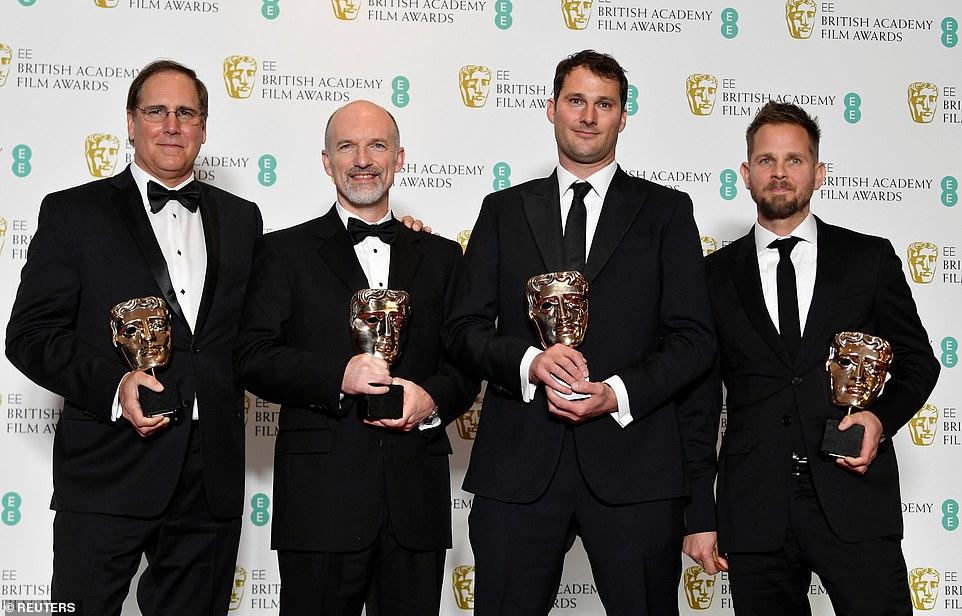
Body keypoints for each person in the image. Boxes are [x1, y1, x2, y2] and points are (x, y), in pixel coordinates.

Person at [442, 49, 717, 616]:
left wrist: (617, 393)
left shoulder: (666, 212)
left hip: (636, 468)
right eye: (576, 100)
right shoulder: (501, 211)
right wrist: (529, 363)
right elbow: (463, 329)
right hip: (518, 467)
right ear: (551, 109)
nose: (589, 116)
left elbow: (694, 340)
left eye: (604, 104)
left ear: (623, 117)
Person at [5, 59, 263, 615]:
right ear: (130, 121)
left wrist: (406, 243)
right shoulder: (73, 212)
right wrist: (115, 384)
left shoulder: (243, 219)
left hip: (209, 480)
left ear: (203, 127)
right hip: (108, 468)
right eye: (156, 111)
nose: (171, 125)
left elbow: (270, 323)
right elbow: (29, 334)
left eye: (185, 113)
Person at [683, 102, 940, 615]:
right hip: (754, 506)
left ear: (819, 173)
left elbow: (919, 362)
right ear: (746, 174)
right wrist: (698, 515)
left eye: (794, 160)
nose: (779, 172)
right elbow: (698, 405)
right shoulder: (711, 277)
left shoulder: (868, 259)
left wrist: (880, 418)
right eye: (766, 160)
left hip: (854, 496)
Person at [234, 100, 477, 616]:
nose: (362, 159)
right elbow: (252, 357)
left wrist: (430, 400)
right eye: (346, 146)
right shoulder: (284, 252)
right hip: (319, 504)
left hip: (415, 504)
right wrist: (336, 376)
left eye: (377, 145)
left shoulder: (442, 257)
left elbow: (464, 366)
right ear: (327, 161)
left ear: (399, 158)